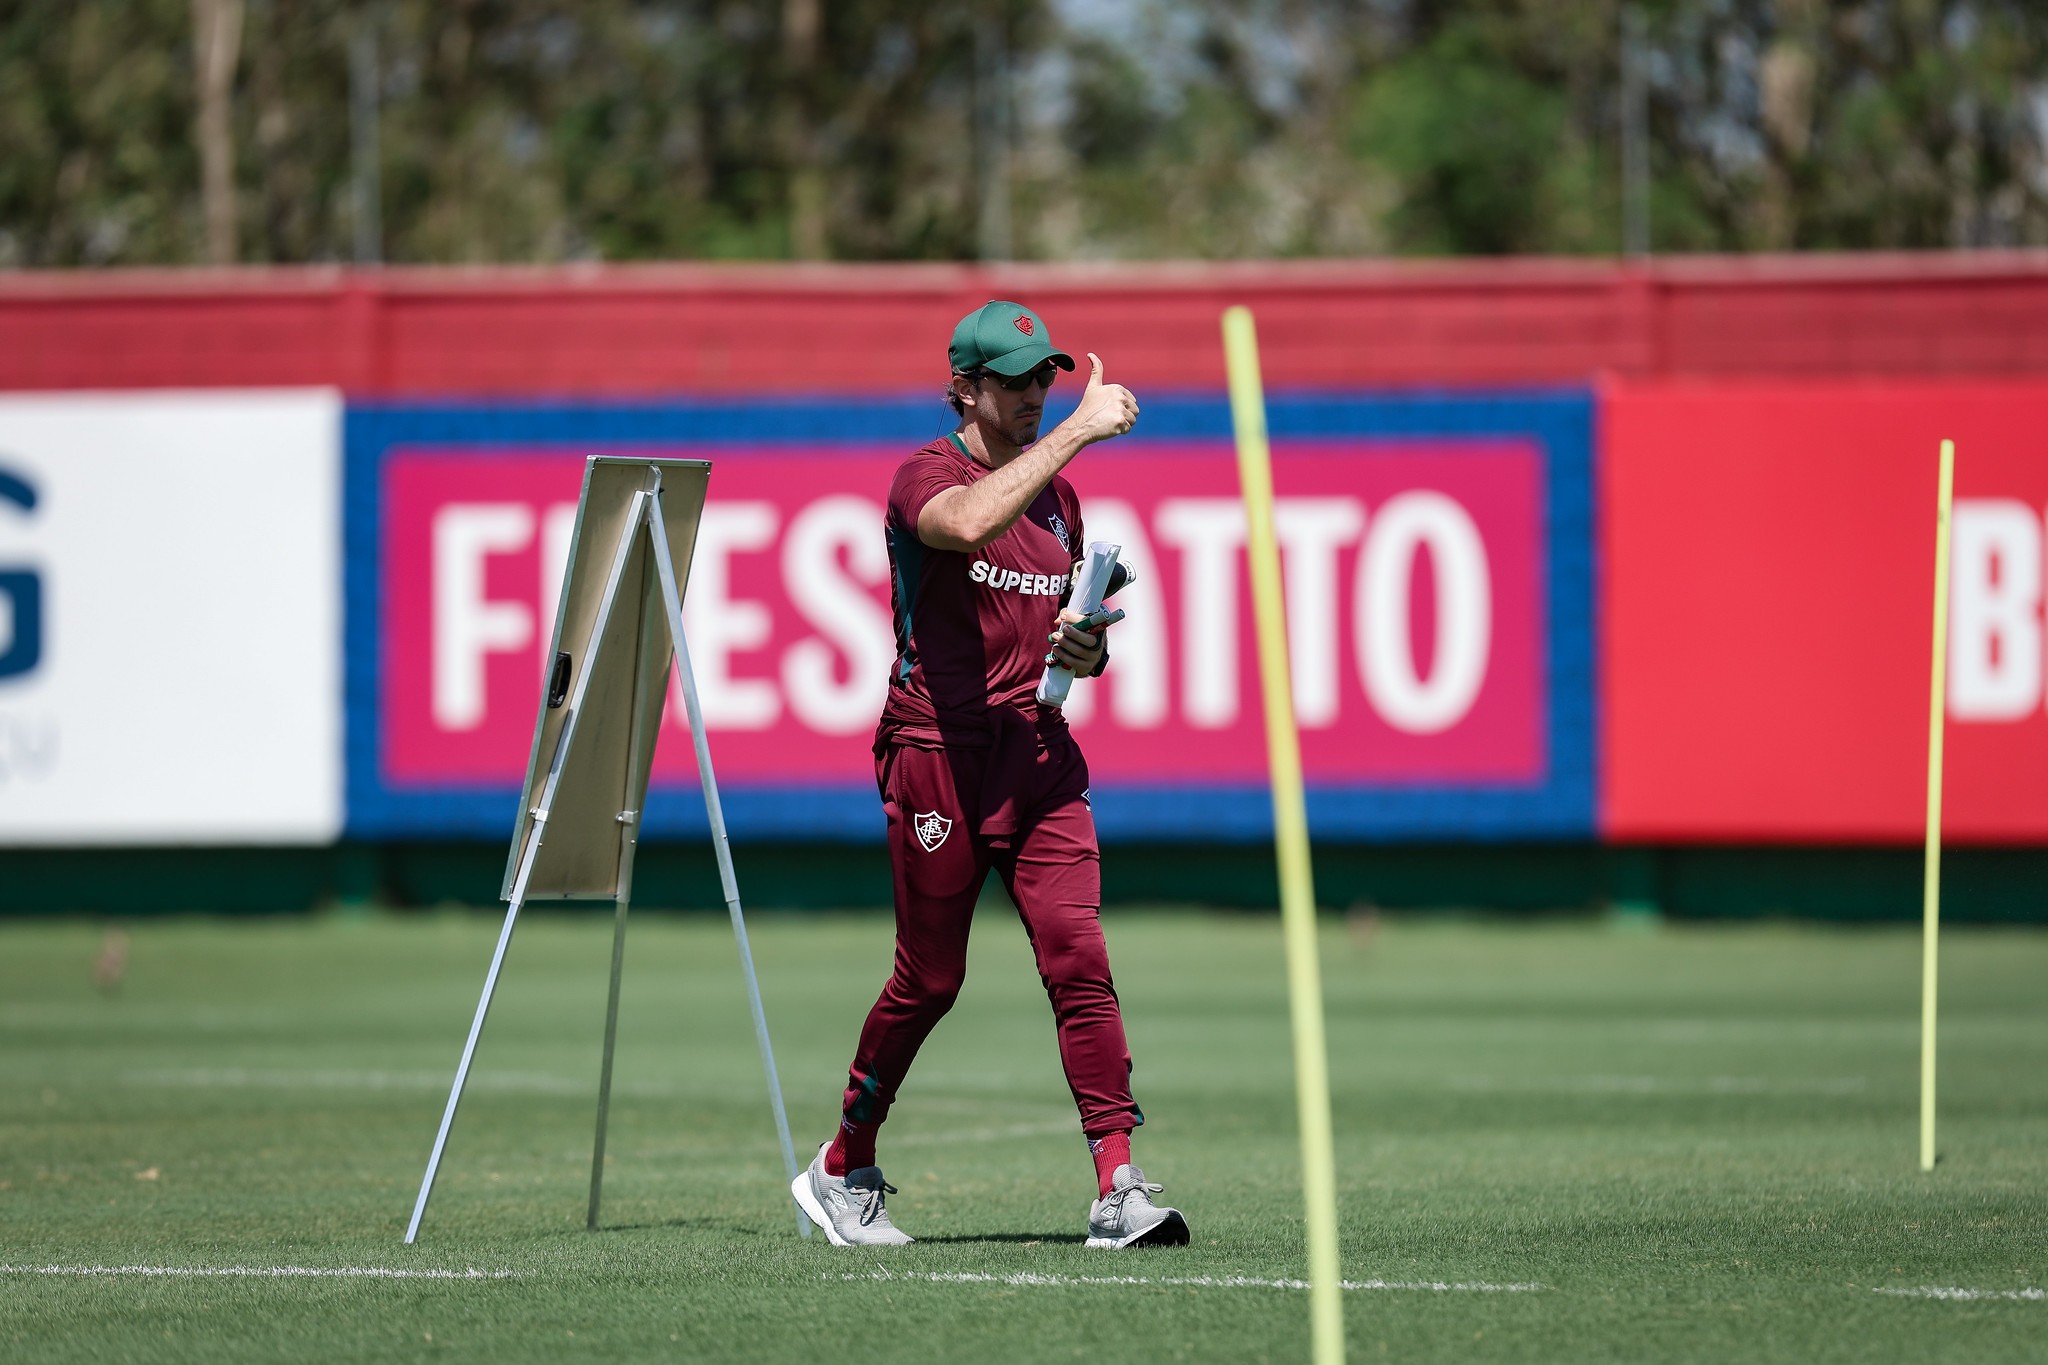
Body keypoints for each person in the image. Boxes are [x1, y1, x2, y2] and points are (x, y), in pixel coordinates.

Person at [789, 300, 1189, 1251]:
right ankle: (843, 1167)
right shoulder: (925, 475)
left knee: (1078, 959)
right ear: (964, 386)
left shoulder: (1058, 497)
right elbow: (966, 521)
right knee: (930, 980)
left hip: (1038, 752)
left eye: (1043, 379)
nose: (1033, 396)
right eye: (1012, 381)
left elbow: (1055, 629)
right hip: (937, 757)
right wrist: (1083, 429)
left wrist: (1082, 646)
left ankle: (1118, 1183)